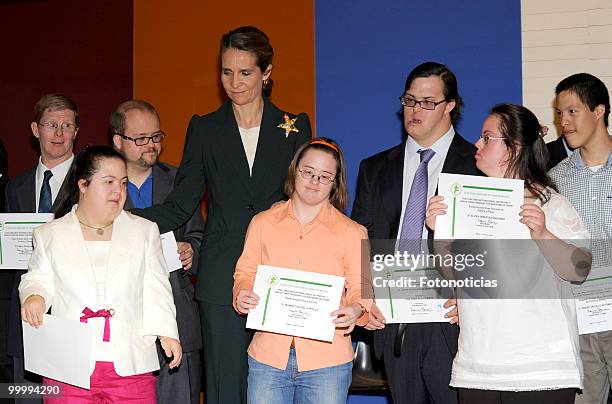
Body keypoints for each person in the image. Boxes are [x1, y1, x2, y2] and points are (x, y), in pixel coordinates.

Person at [131, 26, 311, 403]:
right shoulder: (205, 128)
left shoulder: (294, 126)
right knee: (224, 389)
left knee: (277, 387)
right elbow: (182, 204)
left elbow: (308, 205)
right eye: (226, 71)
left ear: (267, 72)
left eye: (245, 72)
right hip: (220, 280)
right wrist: (121, 219)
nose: (234, 82)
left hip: (280, 275)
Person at [426, 103, 591, 404]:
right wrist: (440, 233)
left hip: (541, 369)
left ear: (514, 148)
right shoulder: (469, 203)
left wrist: (542, 233)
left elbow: (579, 269)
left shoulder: (551, 204)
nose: (477, 143)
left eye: (487, 138)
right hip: (478, 365)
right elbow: (454, 272)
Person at [351, 61, 477, 404]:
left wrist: (478, 300)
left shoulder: (479, 165)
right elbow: (359, 242)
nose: (414, 110)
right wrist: (364, 298)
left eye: (427, 102)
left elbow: (496, 245)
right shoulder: (374, 168)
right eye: (409, 100)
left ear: (450, 106)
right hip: (394, 320)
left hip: (452, 320)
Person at [19, 145, 181, 402]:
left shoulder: (144, 232)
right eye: (109, 182)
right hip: (68, 367)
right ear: (83, 185)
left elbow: (157, 288)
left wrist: (167, 332)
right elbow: (37, 278)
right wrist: (34, 296)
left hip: (130, 363)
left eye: (124, 182)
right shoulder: (49, 234)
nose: (119, 190)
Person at [233, 137, 372, 403]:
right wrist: (242, 292)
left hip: (328, 361)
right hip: (268, 358)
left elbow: (362, 288)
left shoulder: (353, 233)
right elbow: (245, 271)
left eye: (324, 176)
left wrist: (356, 309)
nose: (314, 182)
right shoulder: (262, 223)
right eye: (307, 172)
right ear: (294, 171)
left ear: (335, 183)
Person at [111, 99, 204, 404]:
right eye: (140, 139)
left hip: (178, 317)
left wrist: (192, 252)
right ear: (117, 141)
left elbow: (199, 237)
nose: (151, 145)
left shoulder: (181, 181)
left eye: (156, 137)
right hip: (120, 322)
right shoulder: (102, 186)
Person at [4, 94, 79, 398]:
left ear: (76, 131)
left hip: (73, 315)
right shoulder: (15, 188)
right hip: (24, 319)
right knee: (24, 396)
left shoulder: (91, 182)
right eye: (51, 125)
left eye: (67, 125)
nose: (59, 134)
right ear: (35, 129)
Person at [549, 73, 612, 404]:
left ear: (599, 110)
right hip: (579, 321)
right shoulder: (554, 180)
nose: (564, 122)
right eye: (560, 113)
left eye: (572, 111)